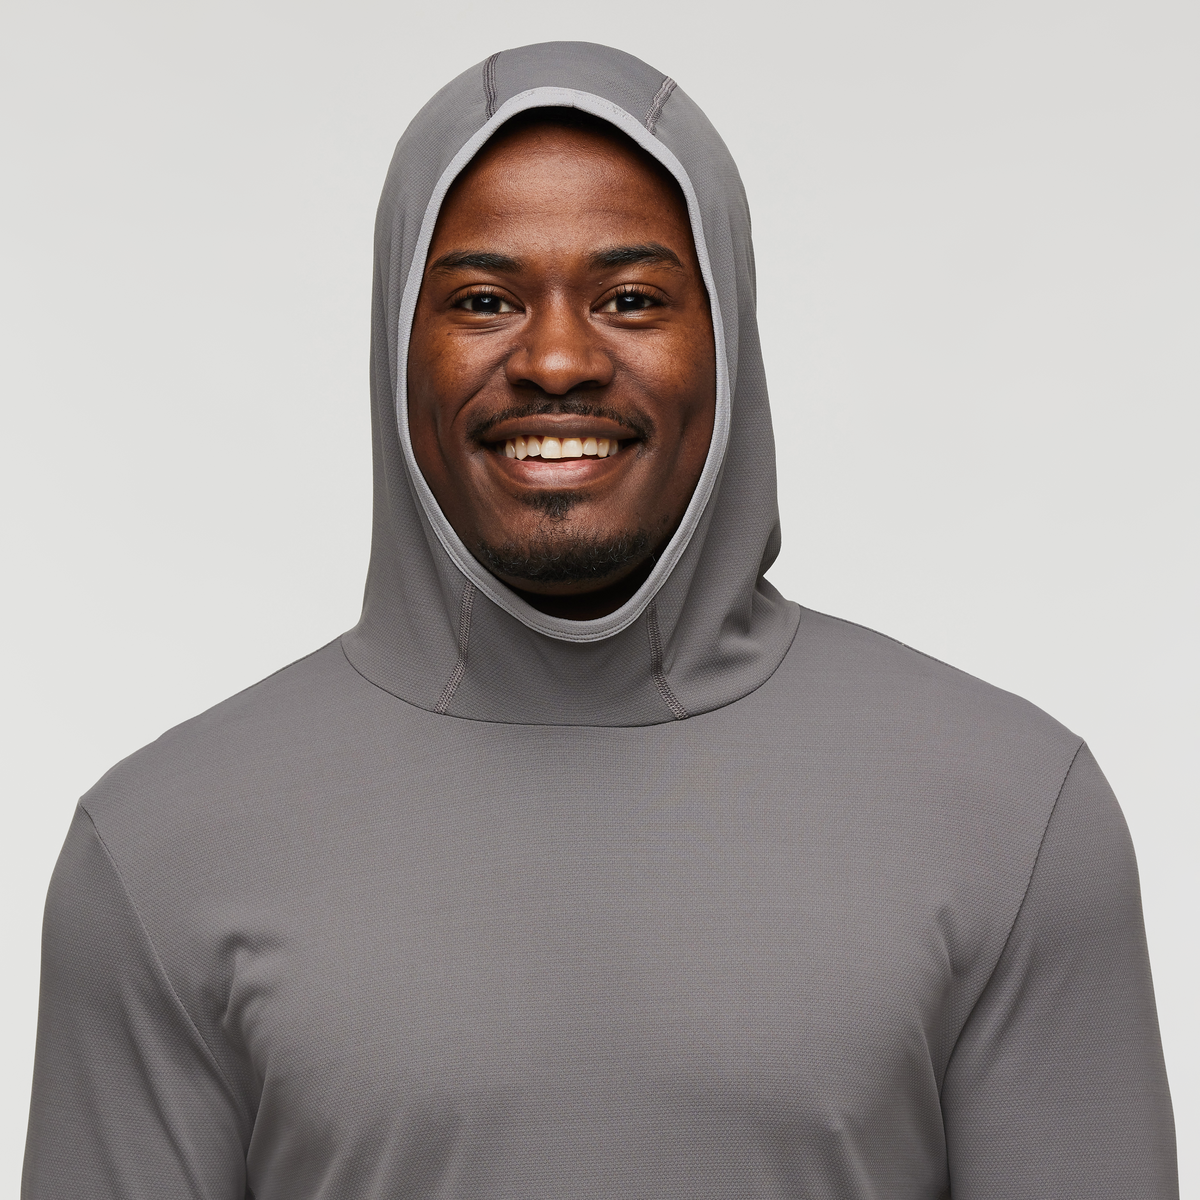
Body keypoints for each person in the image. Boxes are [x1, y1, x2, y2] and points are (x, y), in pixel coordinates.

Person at [22, 41, 1177, 1200]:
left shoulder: (1013, 815)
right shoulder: (160, 853)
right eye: (485, 300)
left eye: (630, 299)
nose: (558, 360)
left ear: (728, 337)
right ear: (395, 343)